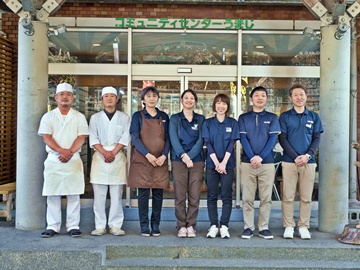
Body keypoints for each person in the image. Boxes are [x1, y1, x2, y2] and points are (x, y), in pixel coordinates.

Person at [38, 82, 89, 238]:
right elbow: (46, 137)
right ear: (56, 98)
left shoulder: (79, 117)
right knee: (53, 194)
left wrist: (70, 152)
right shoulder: (48, 116)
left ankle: (73, 226)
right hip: (54, 159)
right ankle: (52, 226)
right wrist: (62, 151)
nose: (65, 97)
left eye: (68, 94)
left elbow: (82, 137)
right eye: (62, 94)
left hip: (72, 159)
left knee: (74, 194)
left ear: (73, 98)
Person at [279, 84, 323, 240]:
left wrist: (307, 155)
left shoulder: (314, 117)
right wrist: (295, 156)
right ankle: (289, 226)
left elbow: (317, 138)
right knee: (288, 196)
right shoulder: (285, 117)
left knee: (306, 197)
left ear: (306, 97)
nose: (299, 97)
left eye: (302, 94)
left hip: (308, 163)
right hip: (289, 162)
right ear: (290, 98)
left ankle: (303, 226)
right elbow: (282, 138)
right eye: (295, 95)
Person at [238, 86, 280, 240]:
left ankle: (263, 227)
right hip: (247, 163)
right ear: (251, 98)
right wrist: (252, 157)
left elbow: (272, 140)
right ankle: (248, 227)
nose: (260, 98)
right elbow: (243, 139)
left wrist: (260, 157)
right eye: (257, 95)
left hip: (267, 163)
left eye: (263, 95)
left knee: (266, 197)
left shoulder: (273, 117)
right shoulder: (243, 118)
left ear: (267, 99)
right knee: (247, 197)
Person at [128, 86, 170, 237]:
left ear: (158, 98)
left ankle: (156, 224)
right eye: (148, 96)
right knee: (143, 194)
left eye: (154, 96)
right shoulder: (138, 116)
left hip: (160, 161)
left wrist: (164, 155)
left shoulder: (164, 116)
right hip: (143, 161)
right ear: (143, 99)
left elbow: (168, 139)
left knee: (158, 194)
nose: (152, 98)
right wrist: (148, 155)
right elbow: (134, 137)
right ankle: (144, 225)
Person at [89, 87, 131, 236]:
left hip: (117, 156)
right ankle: (100, 225)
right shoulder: (95, 118)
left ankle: (115, 225)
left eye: (112, 96)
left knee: (116, 194)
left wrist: (112, 152)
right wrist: (104, 152)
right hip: (100, 157)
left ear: (117, 99)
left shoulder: (124, 117)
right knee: (99, 195)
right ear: (101, 99)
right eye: (106, 96)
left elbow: (126, 137)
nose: (109, 99)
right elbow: (93, 138)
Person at [202, 93, 240, 239]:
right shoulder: (208, 123)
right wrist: (217, 163)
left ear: (227, 106)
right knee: (211, 195)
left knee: (226, 195)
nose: (221, 106)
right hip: (212, 164)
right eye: (218, 103)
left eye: (224, 103)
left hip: (227, 165)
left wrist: (223, 163)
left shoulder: (233, 122)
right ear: (214, 105)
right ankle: (213, 225)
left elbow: (232, 144)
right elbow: (208, 143)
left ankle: (224, 225)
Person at [169, 89, 205, 238]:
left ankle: (191, 225)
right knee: (179, 195)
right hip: (179, 161)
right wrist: (184, 156)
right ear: (182, 101)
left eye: (192, 98)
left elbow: (201, 139)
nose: (189, 100)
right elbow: (173, 139)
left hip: (197, 161)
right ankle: (181, 225)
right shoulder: (175, 118)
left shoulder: (201, 119)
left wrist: (190, 156)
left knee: (195, 195)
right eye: (186, 98)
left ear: (195, 101)